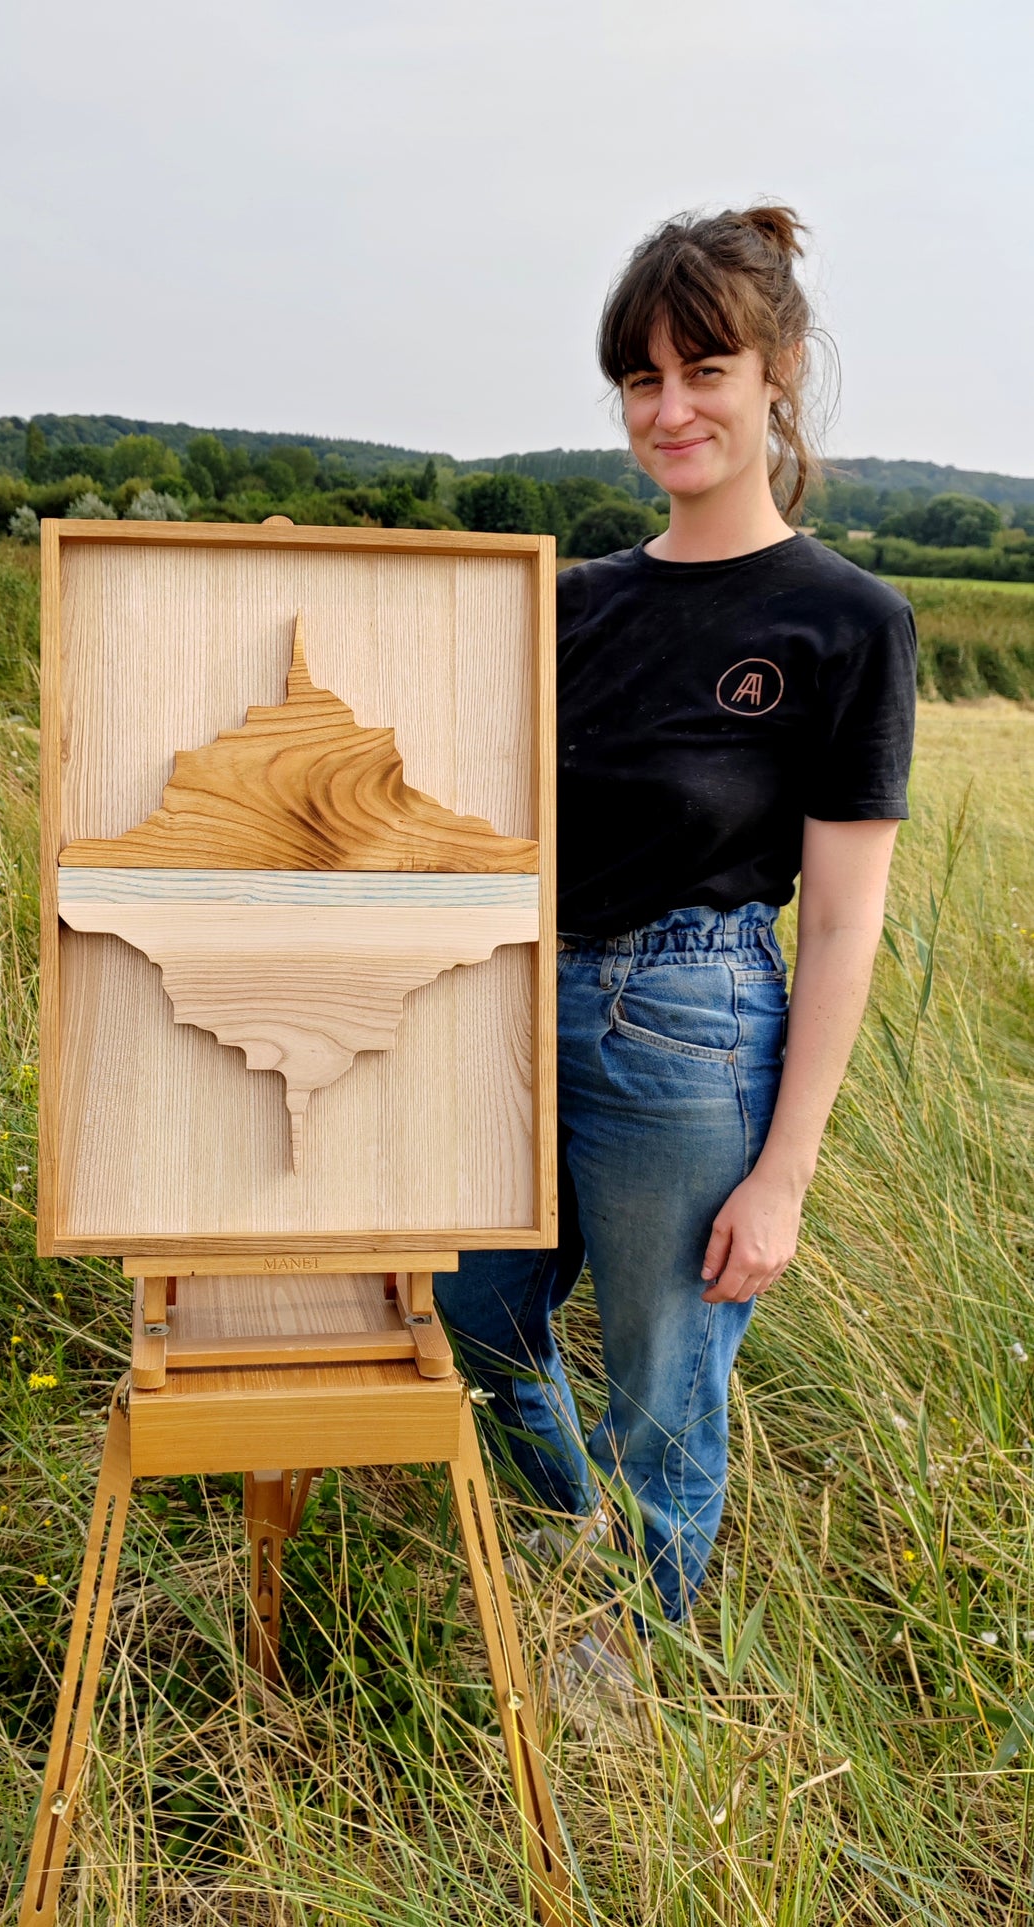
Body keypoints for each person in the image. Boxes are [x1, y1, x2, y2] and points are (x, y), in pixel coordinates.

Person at [435, 205, 917, 1651]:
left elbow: (838, 925)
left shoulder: (844, 619)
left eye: (701, 369)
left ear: (774, 374)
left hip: (687, 1028)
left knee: (662, 1387)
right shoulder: (571, 602)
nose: (668, 408)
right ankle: (571, 1542)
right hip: (510, 1013)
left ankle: (628, 1659)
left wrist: (782, 1175)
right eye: (640, 379)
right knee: (467, 1332)